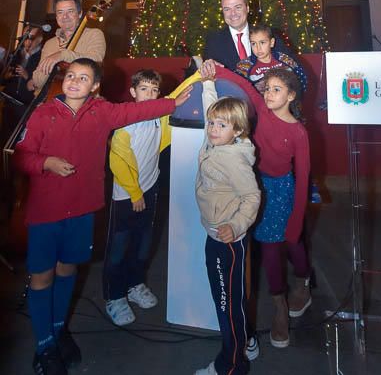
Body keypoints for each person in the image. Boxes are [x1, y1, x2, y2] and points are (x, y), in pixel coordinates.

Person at [14, 58, 191, 375]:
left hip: (81, 210)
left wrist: (174, 102)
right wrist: (46, 163)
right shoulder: (43, 113)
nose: (74, 81)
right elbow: (22, 156)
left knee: (67, 270)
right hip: (45, 212)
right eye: (71, 76)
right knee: (43, 277)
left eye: (83, 78)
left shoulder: (103, 111)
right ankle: (44, 346)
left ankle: (58, 330)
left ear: (94, 85)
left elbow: (138, 111)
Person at [204, 62, 312, 349]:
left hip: (282, 190)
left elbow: (303, 179)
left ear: (291, 96)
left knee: (292, 242)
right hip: (255, 184)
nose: (268, 94)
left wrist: (296, 221)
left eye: (277, 90)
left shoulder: (299, 132)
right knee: (269, 248)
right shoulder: (260, 109)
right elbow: (246, 86)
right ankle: (279, 304)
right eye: (268, 88)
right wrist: (215, 69)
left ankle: (303, 279)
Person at [194, 71, 260, 375]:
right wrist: (208, 83)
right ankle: (242, 344)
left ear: (237, 130)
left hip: (228, 241)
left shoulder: (232, 157)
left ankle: (231, 366)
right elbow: (214, 110)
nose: (212, 129)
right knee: (228, 301)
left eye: (221, 125)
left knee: (228, 305)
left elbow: (251, 197)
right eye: (211, 123)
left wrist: (235, 226)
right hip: (215, 234)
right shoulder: (219, 143)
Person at [102, 69, 165, 326]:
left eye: (154, 90)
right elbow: (117, 162)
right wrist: (134, 194)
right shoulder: (125, 123)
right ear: (133, 92)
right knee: (119, 247)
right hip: (126, 196)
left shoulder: (160, 118)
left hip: (149, 190)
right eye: (143, 89)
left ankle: (134, 284)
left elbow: (180, 95)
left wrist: (200, 70)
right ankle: (114, 296)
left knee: (142, 244)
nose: (149, 95)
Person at [31, 0, 106, 92]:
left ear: (79, 14)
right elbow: (37, 81)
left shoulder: (94, 34)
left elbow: (96, 61)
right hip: (49, 100)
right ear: (57, 17)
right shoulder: (50, 43)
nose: (65, 16)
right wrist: (49, 68)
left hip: (82, 101)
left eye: (70, 11)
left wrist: (62, 55)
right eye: (60, 12)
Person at [204, 0, 291, 72]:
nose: (233, 13)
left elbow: (291, 66)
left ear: (247, 8)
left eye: (238, 7)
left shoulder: (268, 34)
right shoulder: (213, 41)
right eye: (227, 9)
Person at [235, 24, 307, 95]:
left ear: (272, 42)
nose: (258, 48)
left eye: (262, 43)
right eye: (253, 44)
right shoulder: (244, 66)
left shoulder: (285, 59)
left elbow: (301, 81)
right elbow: (239, 91)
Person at [1, 27, 43, 140]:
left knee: (20, 140)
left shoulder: (44, 57)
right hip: (9, 102)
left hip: (26, 106)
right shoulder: (16, 53)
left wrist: (26, 75)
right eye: (24, 37)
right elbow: (2, 80)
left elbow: (43, 85)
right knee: (5, 137)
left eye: (31, 38)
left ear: (40, 39)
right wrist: (6, 76)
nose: (27, 41)